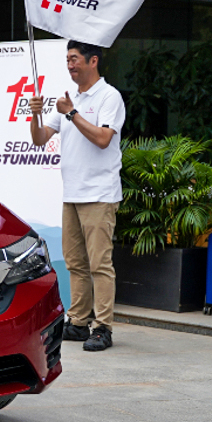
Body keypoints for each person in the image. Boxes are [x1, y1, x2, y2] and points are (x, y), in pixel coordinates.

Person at [29, 40, 126, 352]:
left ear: (93, 60)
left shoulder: (109, 97)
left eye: (75, 59)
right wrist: (35, 115)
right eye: (68, 59)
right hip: (72, 193)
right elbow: (40, 139)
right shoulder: (69, 98)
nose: (70, 65)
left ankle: (103, 327)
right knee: (75, 263)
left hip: (100, 194)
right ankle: (80, 322)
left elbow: (103, 138)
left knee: (100, 264)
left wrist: (71, 113)